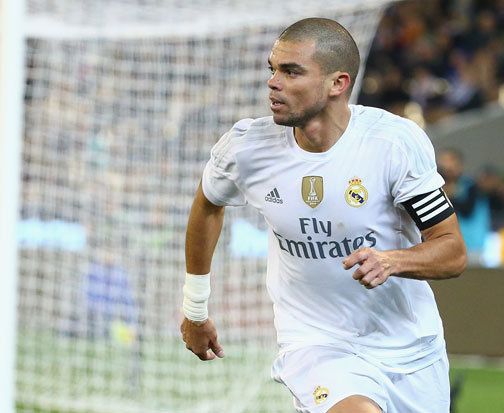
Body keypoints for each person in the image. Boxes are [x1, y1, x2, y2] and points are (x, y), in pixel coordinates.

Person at [181, 18, 467, 413]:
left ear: (338, 83)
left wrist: (392, 261)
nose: (273, 83)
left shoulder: (392, 144)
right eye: (272, 69)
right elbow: (207, 205)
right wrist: (195, 309)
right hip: (316, 344)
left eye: (291, 71)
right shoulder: (246, 148)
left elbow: (452, 251)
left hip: (411, 349)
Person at [438, 148, 491, 261]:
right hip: (446, 246)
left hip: (472, 247)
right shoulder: (437, 185)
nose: (447, 167)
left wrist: (451, 195)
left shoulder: (472, 186)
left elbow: (467, 211)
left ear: (459, 165)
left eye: (451, 161)